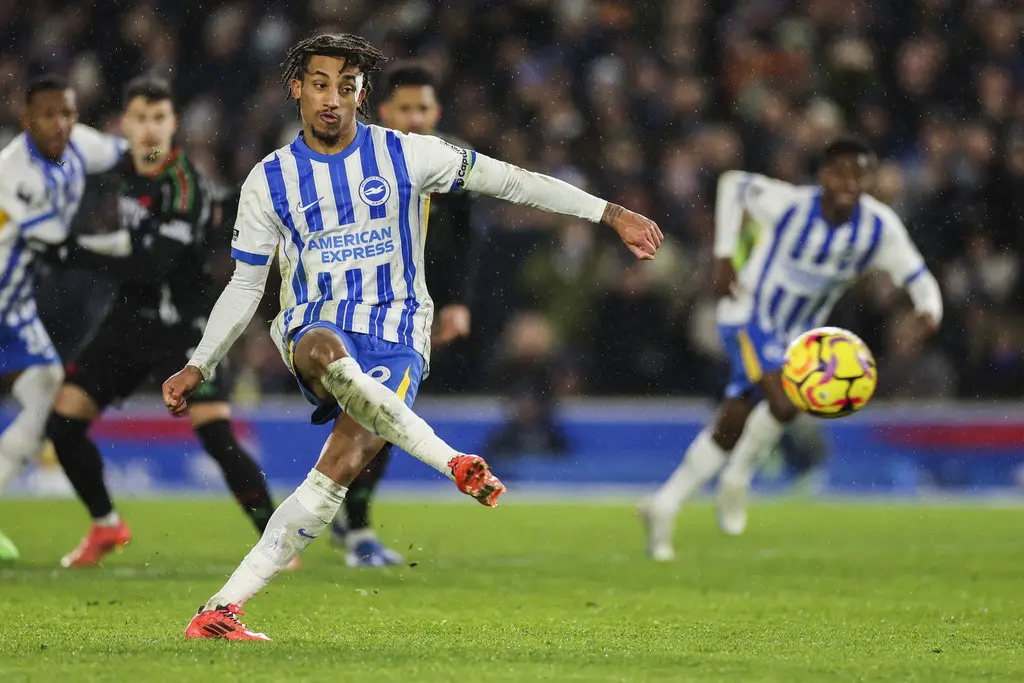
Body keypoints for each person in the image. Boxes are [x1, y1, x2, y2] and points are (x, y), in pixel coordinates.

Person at [162, 33, 662, 640]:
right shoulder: (270, 181)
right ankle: (452, 462)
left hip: (399, 334)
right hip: (314, 324)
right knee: (327, 352)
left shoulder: (408, 155)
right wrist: (201, 363)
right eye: (320, 85)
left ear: (361, 93)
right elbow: (245, 285)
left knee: (333, 477)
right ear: (297, 89)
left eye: (345, 88)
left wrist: (610, 213)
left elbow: (512, 181)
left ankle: (221, 609)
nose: (332, 100)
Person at [638, 137, 942, 561]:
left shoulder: (879, 227)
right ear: (823, 175)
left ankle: (665, 504)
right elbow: (732, 184)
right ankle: (737, 479)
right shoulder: (791, 205)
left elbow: (919, 277)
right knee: (786, 400)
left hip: (800, 335)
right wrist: (724, 256)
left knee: (735, 417)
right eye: (840, 171)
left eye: (859, 173)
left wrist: (929, 311)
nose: (849, 181)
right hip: (748, 314)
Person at [46, 75, 282, 569]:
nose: (150, 129)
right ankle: (107, 525)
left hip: (183, 328)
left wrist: (75, 251)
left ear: (173, 124)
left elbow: (151, 265)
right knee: (64, 423)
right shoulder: (122, 168)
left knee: (216, 437)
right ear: (125, 125)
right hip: (129, 320)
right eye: (140, 119)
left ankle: (275, 542)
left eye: (159, 119)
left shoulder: (184, 184)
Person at [328, 61, 480, 567]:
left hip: (408, 316)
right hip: (350, 308)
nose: (415, 117)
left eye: (424, 108)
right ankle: (350, 523)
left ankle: (351, 524)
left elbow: (464, 243)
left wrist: (456, 302)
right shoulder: (355, 158)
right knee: (374, 420)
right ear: (385, 110)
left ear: (435, 112)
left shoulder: (449, 165)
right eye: (405, 108)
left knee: (379, 419)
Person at [0, 75, 127, 561]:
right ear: (26, 119)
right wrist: (122, 248)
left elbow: (130, 155)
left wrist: (163, 163)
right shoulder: (16, 174)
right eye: (48, 115)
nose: (60, 124)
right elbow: (60, 247)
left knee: (47, 389)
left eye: (67, 113)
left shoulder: (80, 144)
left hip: (14, 306)